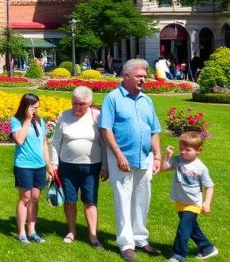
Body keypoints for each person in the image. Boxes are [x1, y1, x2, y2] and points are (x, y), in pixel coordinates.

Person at [100, 59, 163, 261]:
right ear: (126, 76)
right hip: (122, 158)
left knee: (142, 200)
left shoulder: (146, 100)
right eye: (139, 76)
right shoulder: (113, 98)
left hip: (145, 157)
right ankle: (126, 244)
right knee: (123, 200)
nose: (143, 79)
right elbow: (105, 129)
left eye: (145, 76)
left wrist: (158, 156)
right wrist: (118, 155)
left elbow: (155, 130)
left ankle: (141, 239)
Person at [49, 86, 107, 250]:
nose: (77, 107)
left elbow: (103, 143)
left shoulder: (97, 117)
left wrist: (105, 165)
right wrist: (54, 164)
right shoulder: (64, 116)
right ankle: (71, 231)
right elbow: (55, 143)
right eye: (74, 103)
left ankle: (93, 236)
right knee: (70, 200)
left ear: (89, 103)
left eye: (81, 104)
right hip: (67, 166)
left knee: (90, 201)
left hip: (91, 166)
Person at [158, 132, 218, 262]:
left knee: (183, 230)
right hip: (180, 202)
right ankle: (208, 248)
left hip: (193, 204)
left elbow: (210, 186)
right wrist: (167, 155)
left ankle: (178, 256)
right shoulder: (178, 160)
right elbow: (163, 168)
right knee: (191, 228)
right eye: (181, 149)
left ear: (198, 150)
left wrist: (207, 203)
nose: (183, 152)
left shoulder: (201, 168)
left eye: (188, 150)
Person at [10, 93, 53, 244]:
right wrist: (28, 119)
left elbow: (44, 144)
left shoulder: (40, 121)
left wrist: (49, 166)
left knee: (34, 198)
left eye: (37, 108)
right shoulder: (16, 121)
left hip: (39, 165)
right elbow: (19, 140)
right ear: (26, 107)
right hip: (24, 165)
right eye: (33, 108)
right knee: (25, 198)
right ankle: (21, 232)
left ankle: (32, 231)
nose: (36, 110)